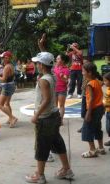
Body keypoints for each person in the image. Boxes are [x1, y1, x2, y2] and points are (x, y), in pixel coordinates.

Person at [25, 52, 74, 184]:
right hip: (53, 115)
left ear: (41, 65)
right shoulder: (51, 76)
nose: (36, 65)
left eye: (37, 63)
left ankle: (39, 175)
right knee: (57, 142)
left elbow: (46, 100)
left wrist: (36, 115)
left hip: (45, 118)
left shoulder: (43, 80)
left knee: (42, 146)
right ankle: (66, 169)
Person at [81, 62, 105, 158]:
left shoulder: (90, 84)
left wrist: (88, 113)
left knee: (87, 129)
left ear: (89, 72)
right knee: (97, 128)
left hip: (93, 109)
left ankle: (92, 150)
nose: (82, 73)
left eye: (83, 71)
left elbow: (91, 99)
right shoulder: (97, 82)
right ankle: (101, 147)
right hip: (99, 108)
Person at [0, 51, 18, 128]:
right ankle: (10, 119)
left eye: (3, 57)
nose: (2, 59)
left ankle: (12, 118)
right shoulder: (10, 65)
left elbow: (3, 79)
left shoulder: (7, 67)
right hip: (11, 85)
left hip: (7, 86)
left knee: (0, 105)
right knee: (7, 103)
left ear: (7, 58)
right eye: (2, 57)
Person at [53, 54, 70, 125]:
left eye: (58, 59)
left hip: (62, 89)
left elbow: (66, 80)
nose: (56, 60)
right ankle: (54, 119)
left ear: (62, 61)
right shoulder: (54, 67)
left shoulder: (66, 69)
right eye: (56, 58)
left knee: (61, 105)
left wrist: (62, 76)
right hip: (54, 89)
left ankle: (61, 120)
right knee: (54, 105)